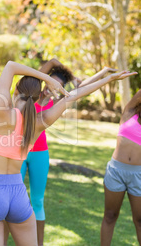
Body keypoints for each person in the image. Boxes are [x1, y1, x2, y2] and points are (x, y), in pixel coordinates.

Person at [0, 60, 136, 246]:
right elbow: (73, 96)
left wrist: (45, 77)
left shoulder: (0, 113)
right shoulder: (39, 122)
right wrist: (108, 79)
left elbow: (10, 65)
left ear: (16, 90)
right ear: (36, 98)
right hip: (18, 195)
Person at [15, 60, 117, 246]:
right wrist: (55, 68)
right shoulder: (30, 94)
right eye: (50, 83)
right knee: (13, 199)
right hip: (17, 153)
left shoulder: (57, 102)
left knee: (37, 201)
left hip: (39, 153)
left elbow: (81, 89)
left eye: (57, 86)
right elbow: (46, 66)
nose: (50, 88)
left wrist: (103, 72)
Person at [101, 89, 141, 245]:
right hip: (115, 172)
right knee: (110, 215)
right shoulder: (129, 112)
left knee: (139, 221)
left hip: (138, 175)